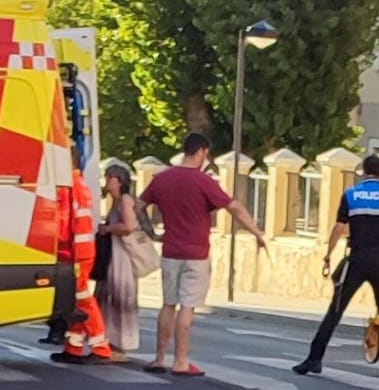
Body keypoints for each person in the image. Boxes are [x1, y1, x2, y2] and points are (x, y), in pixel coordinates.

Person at [139, 132, 267, 376]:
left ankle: (159, 358)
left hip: (171, 250)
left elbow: (138, 206)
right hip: (196, 252)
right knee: (187, 306)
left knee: (168, 304)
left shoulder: (162, 179)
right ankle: (181, 361)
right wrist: (257, 233)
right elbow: (234, 207)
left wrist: (152, 233)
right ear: (201, 152)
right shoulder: (204, 182)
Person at [294, 153, 379, 380]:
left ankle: (314, 358)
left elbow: (338, 229)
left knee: (335, 309)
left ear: (363, 171)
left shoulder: (351, 195)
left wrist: (328, 255)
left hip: (357, 258)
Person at [52, 163, 114, 363]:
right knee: (76, 299)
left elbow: (63, 222)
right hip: (81, 249)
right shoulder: (78, 184)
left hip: (76, 251)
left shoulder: (71, 187)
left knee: (82, 299)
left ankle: (100, 347)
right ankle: (74, 346)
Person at [96, 160, 144, 356]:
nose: (107, 181)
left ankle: (120, 344)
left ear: (119, 181)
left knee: (119, 295)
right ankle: (111, 341)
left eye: (110, 178)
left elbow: (129, 226)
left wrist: (107, 229)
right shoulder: (116, 202)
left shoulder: (124, 200)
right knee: (110, 296)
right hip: (115, 253)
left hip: (121, 255)